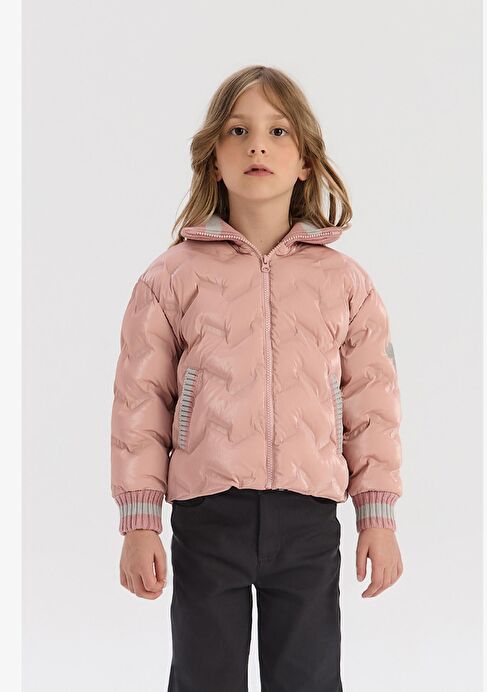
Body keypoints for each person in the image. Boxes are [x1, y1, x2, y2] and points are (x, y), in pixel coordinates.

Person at [110, 64, 403, 692]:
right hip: (208, 516)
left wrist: (376, 516)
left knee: (308, 678)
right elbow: (141, 404)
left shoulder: (345, 283)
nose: (257, 146)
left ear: (305, 162)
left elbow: (372, 405)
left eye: (278, 131)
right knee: (204, 677)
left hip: (308, 518)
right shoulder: (171, 279)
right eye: (238, 131)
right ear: (214, 159)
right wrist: (140, 522)